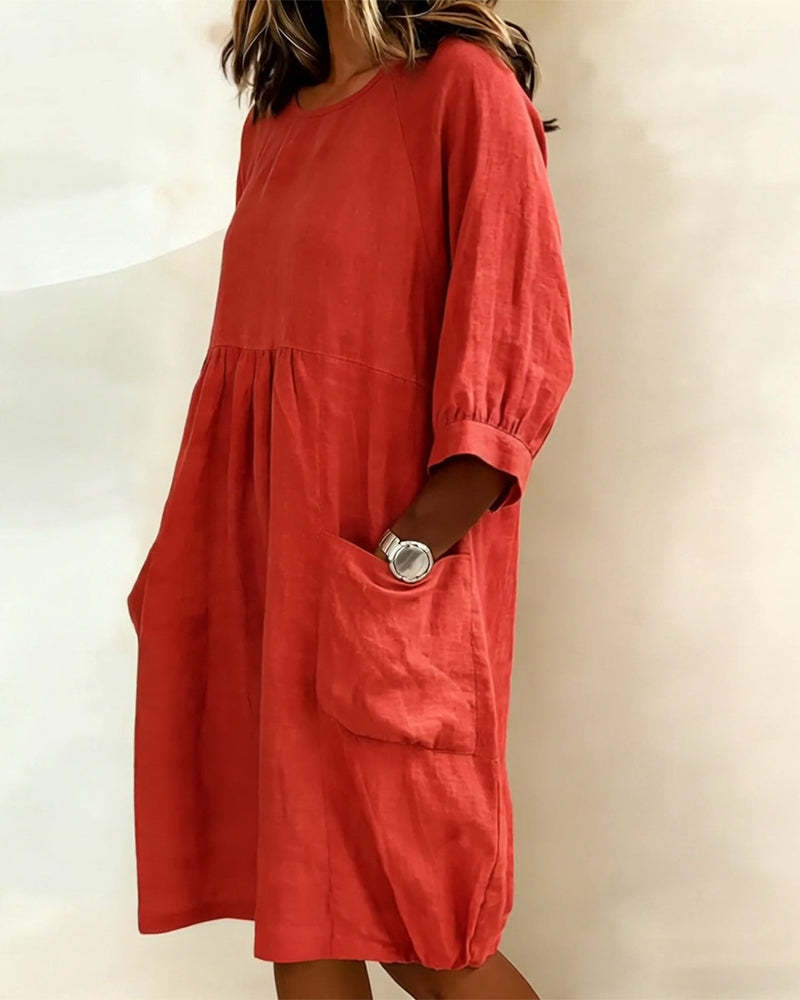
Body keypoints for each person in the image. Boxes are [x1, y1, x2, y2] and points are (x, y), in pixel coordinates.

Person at [126, 1, 574, 997]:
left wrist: (403, 558)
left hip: (378, 573)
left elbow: (515, 342)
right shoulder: (274, 120)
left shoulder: (463, 89)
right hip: (257, 576)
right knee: (303, 908)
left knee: (427, 933)